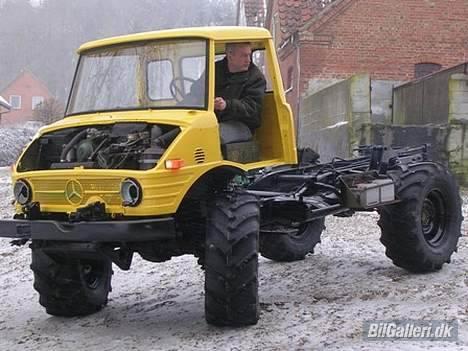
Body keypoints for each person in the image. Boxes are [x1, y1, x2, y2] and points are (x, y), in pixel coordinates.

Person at [185, 42, 266, 143]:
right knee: (180, 130)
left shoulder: (255, 78)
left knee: (208, 134)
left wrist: (226, 105)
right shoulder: (215, 70)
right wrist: (181, 107)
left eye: (249, 55)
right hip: (211, 119)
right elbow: (196, 92)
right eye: (244, 56)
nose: (248, 60)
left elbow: (252, 108)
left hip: (242, 124)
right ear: (230, 55)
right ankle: (161, 150)